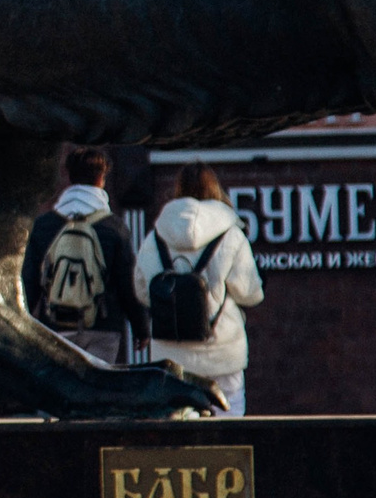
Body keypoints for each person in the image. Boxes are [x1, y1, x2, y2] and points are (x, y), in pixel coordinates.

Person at [135, 163, 265, 416]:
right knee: (228, 425)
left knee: (177, 429)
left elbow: (143, 291)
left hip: (170, 357)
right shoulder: (231, 235)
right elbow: (249, 293)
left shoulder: (155, 237)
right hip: (222, 352)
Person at [23, 147, 147, 370]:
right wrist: (141, 328)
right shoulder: (114, 227)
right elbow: (127, 283)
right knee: (98, 386)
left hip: (55, 326)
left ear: (70, 177)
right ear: (101, 179)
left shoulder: (44, 225)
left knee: (59, 385)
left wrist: (24, 321)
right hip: (103, 327)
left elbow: (29, 280)